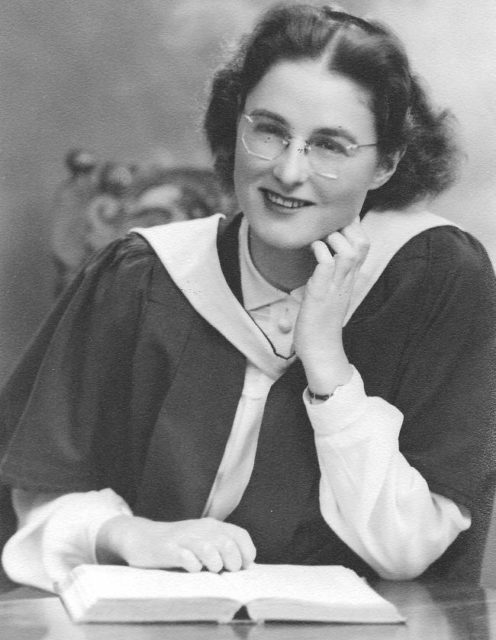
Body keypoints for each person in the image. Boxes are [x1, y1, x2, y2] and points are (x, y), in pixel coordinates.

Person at [0, 3, 495, 592]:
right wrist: (129, 534)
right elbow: (38, 500)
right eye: (269, 130)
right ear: (236, 127)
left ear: (387, 163)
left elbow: (409, 550)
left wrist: (326, 363)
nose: (288, 171)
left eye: (330, 145)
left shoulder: (436, 281)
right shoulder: (142, 276)